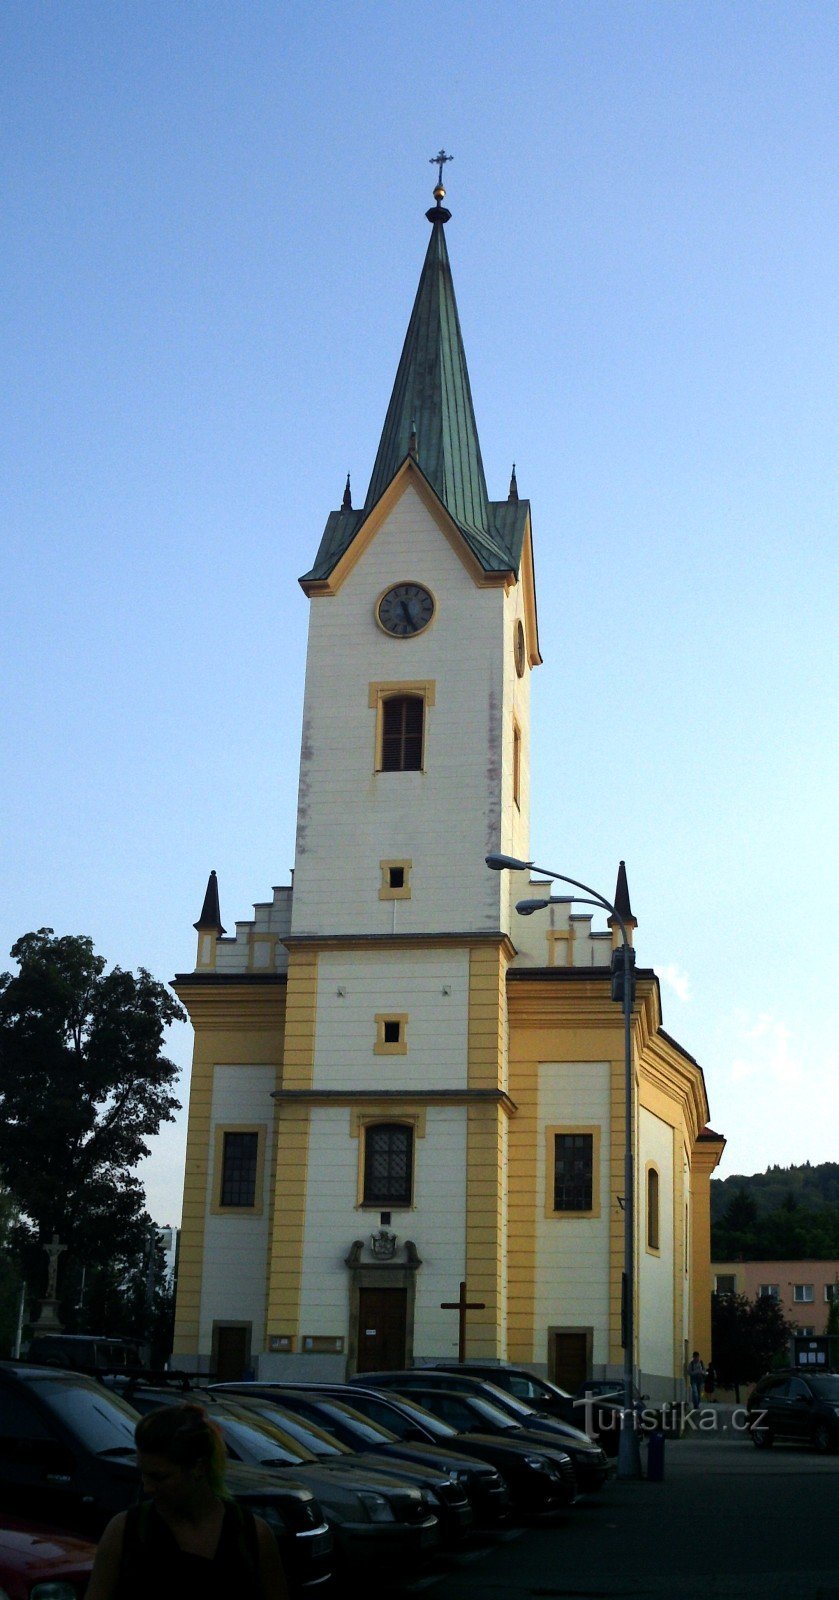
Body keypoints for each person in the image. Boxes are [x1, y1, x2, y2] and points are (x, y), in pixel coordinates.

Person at [84, 1402, 289, 1600]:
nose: (147, 1487)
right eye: (144, 1474)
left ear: (198, 1467)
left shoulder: (251, 1535)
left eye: (159, 1477)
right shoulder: (125, 1531)